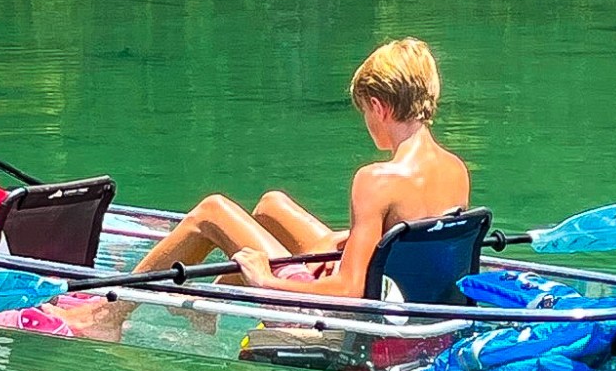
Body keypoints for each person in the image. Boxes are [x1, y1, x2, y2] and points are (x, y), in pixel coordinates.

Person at [54, 37, 470, 338]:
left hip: (346, 320)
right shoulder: (455, 170)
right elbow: (416, 242)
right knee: (271, 205)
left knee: (212, 211)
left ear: (379, 107)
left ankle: (109, 317)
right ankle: (212, 304)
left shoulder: (377, 180)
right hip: (407, 308)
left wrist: (265, 283)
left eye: (365, 112)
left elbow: (348, 290)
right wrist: (373, 243)